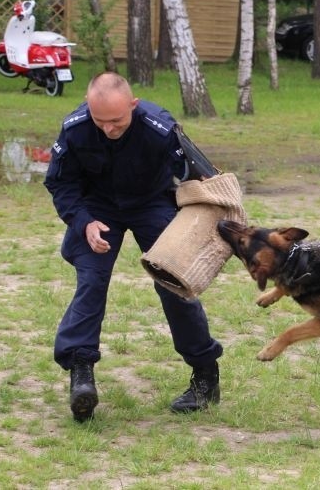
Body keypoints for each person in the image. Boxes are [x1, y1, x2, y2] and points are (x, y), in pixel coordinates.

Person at [44, 72, 223, 422]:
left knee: (174, 283)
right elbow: (60, 183)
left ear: (133, 104)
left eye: (117, 121)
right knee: (92, 283)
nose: (108, 129)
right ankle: (81, 376)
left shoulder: (159, 127)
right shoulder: (76, 128)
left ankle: (205, 375)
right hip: (97, 208)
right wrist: (83, 222)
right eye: (101, 121)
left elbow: (201, 177)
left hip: (151, 202)